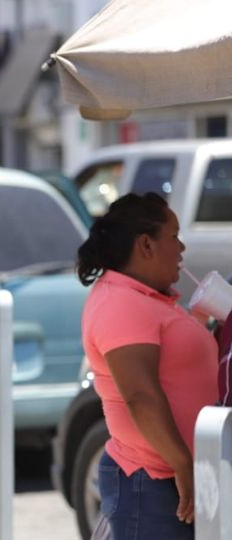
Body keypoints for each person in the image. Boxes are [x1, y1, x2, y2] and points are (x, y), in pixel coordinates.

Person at [77, 192, 218, 540]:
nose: (182, 248)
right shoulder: (121, 303)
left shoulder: (143, 297)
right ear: (146, 245)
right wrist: (182, 464)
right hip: (154, 481)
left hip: (171, 478)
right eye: (173, 236)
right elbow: (140, 395)